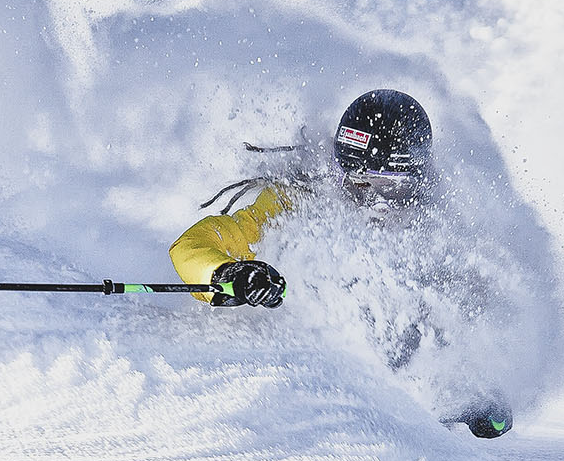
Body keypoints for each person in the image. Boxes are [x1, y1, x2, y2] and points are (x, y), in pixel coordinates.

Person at [169, 89, 513, 438]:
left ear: (421, 183)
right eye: (361, 184)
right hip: (303, 405)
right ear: (338, 175)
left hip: (399, 431)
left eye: (393, 188)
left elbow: (486, 336)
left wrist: (484, 395)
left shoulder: (450, 234)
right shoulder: (298, 205)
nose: (378, 205)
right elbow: (193, 245)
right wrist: (228, 272)